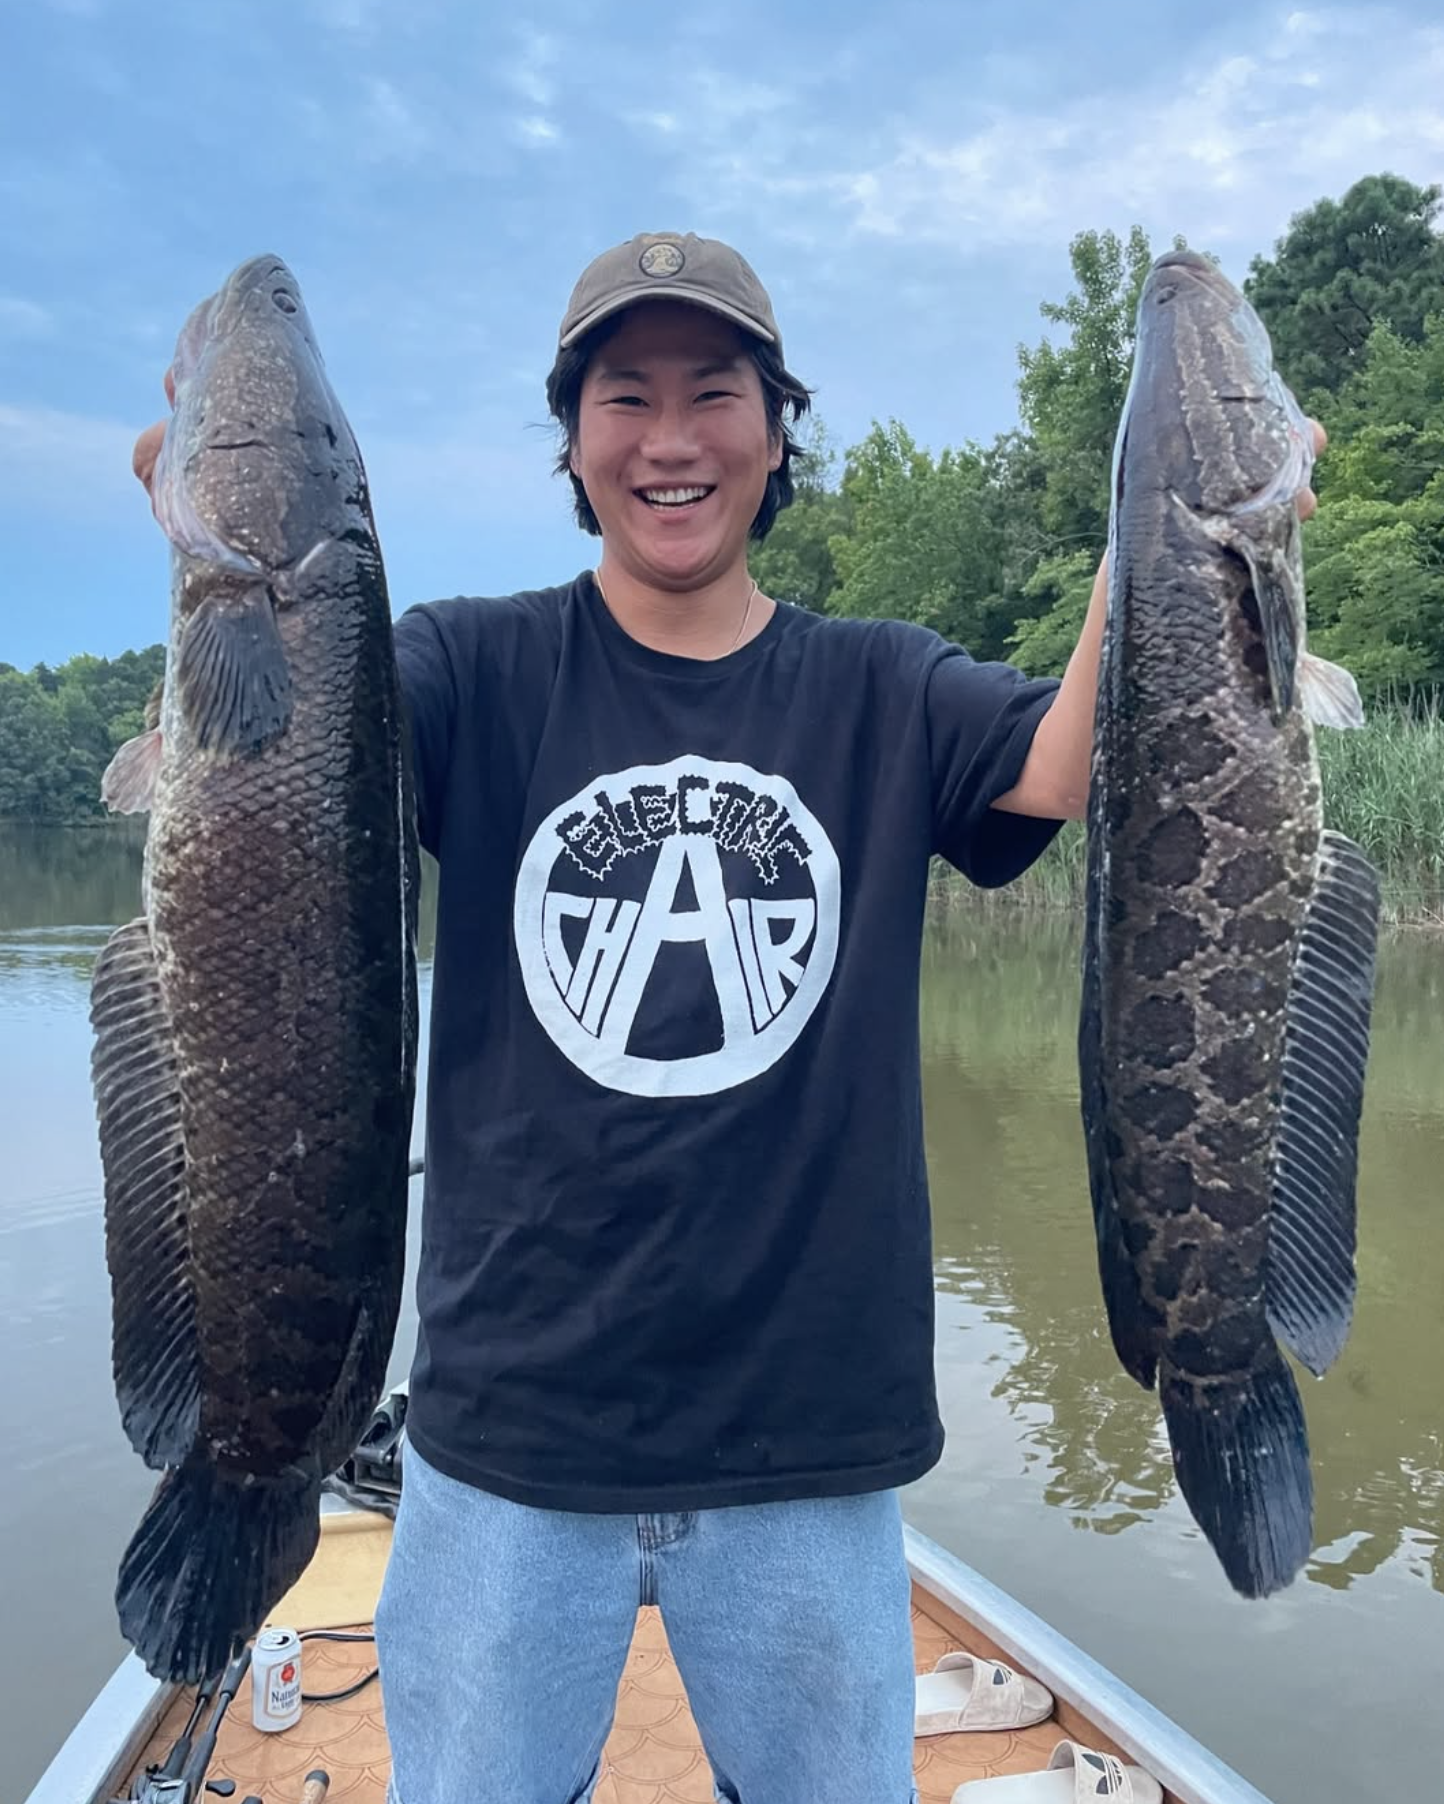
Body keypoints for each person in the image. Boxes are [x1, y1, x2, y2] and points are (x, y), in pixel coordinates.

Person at [131, 230, 1320, 1804]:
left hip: (807, 1450)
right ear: (573, 441)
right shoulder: (468, 666)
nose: (670, 437)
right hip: (505, 1445)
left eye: (714, 392)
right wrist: (211, 561)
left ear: (776, 430)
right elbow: (274, 783)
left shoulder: (883, 687)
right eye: (626, 396)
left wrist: (1189, 533)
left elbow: (1066, 765)